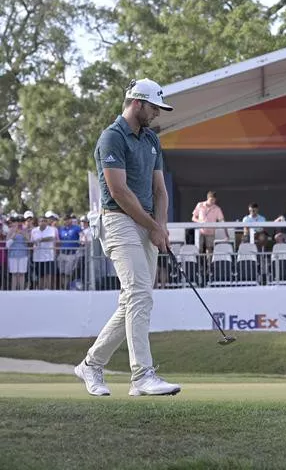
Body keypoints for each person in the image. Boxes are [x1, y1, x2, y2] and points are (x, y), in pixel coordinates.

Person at [74, 78, 180, 397]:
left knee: (134, 299)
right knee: (138, 293)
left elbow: (159, 189)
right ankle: (142, 375)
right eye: (154, 107)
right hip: (118, 220)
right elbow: (119, 192)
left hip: (146, 223)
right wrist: (152, 224)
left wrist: (159, 226)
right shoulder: (112, 137)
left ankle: (91, 365)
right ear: (137, 103)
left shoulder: (150, 139)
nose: (157, 114)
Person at [192, 191, 225, 259]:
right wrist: (200, 222)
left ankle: (209, 267)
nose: (213, 202)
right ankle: (199, 266)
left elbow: (222, 221)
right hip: (200, 231)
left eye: (214, 200)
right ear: (208, 198)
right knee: (199, 249)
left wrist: (226, 234)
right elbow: (193, 218)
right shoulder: (200, 205)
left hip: (211, 232)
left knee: (209, 250)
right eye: (211, 200)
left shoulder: (217, 208)